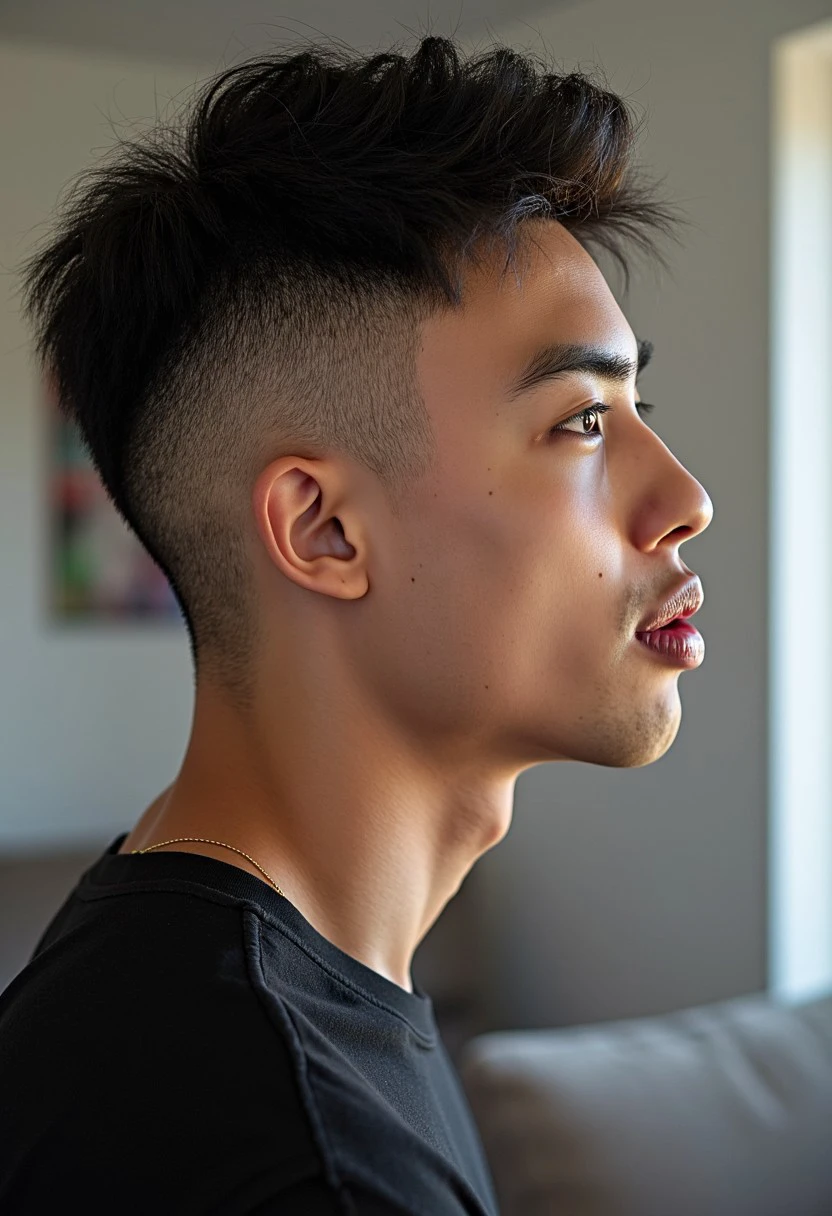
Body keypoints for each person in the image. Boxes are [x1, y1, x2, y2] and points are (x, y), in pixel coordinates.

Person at [0, 31, 713, 1215]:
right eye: (580, 423)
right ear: (325, 531)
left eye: (638, 406)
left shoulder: (175, 967)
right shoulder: (306, 1162)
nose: (686, 500)